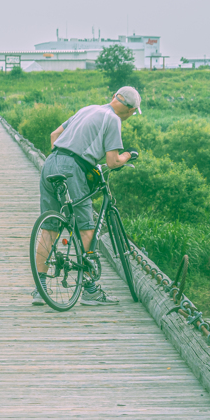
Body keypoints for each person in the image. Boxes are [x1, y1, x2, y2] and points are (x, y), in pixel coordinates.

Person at [32, 86, 142, 306]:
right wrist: (128, 155)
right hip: (73, 167)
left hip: (51, 162)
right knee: (86, 228)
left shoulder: (88, 109)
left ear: (114, 97)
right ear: (130, 110)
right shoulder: (113, 119)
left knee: (50, 229)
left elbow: (55, 135)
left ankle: (40, 289)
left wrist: (61, 159)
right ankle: (90, 290)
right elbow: (112, 161)